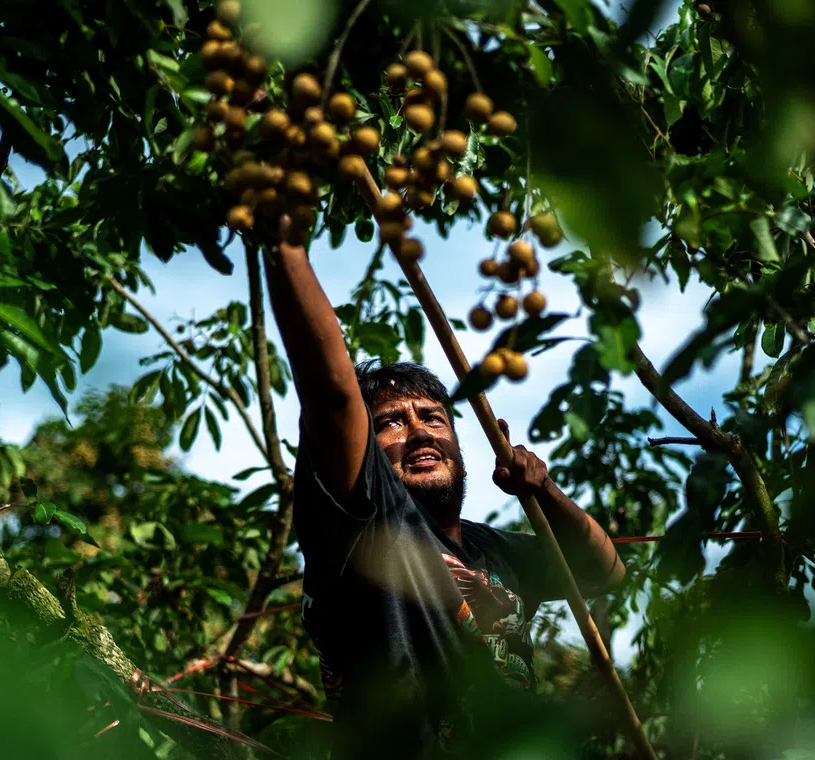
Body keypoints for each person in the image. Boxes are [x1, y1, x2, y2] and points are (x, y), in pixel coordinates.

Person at [264, 224, 626, 758]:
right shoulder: (366, 519)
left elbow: (604, 571)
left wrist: (543, 488)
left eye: (434, 417)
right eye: (390, 423)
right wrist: (283, 238)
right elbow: (331, 396)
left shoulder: (495, 550)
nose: (419, 431)